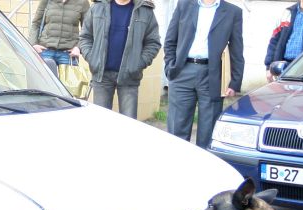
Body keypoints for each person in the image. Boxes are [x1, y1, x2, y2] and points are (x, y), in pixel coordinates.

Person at [164, 0, 244, 149]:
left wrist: (235, 81)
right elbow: (170, 40)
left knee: (208, 132)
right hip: (182, 71)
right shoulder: (184, 5)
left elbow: (237, 49)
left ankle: (204, 170)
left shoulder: (233, 12)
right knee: (177, 129)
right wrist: (170, 66)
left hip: (212, 75)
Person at [79, 0, 162, 119]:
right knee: (101, 122)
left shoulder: (144, 10)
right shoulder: (98, 7)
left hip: (129, 77)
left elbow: (153, 43)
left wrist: (138, 64)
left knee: (129, 124)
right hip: (101, 76)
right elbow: (85, 37)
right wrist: (92, 59)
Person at [30, 0, 91, 69]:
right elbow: (36, 24)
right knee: (42, 79)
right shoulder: (47, 1)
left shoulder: (82, 2)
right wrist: (33, 44)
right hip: (45, 52)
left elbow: (88, 30)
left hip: (69, 55)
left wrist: (78, 48)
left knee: (69, 80)